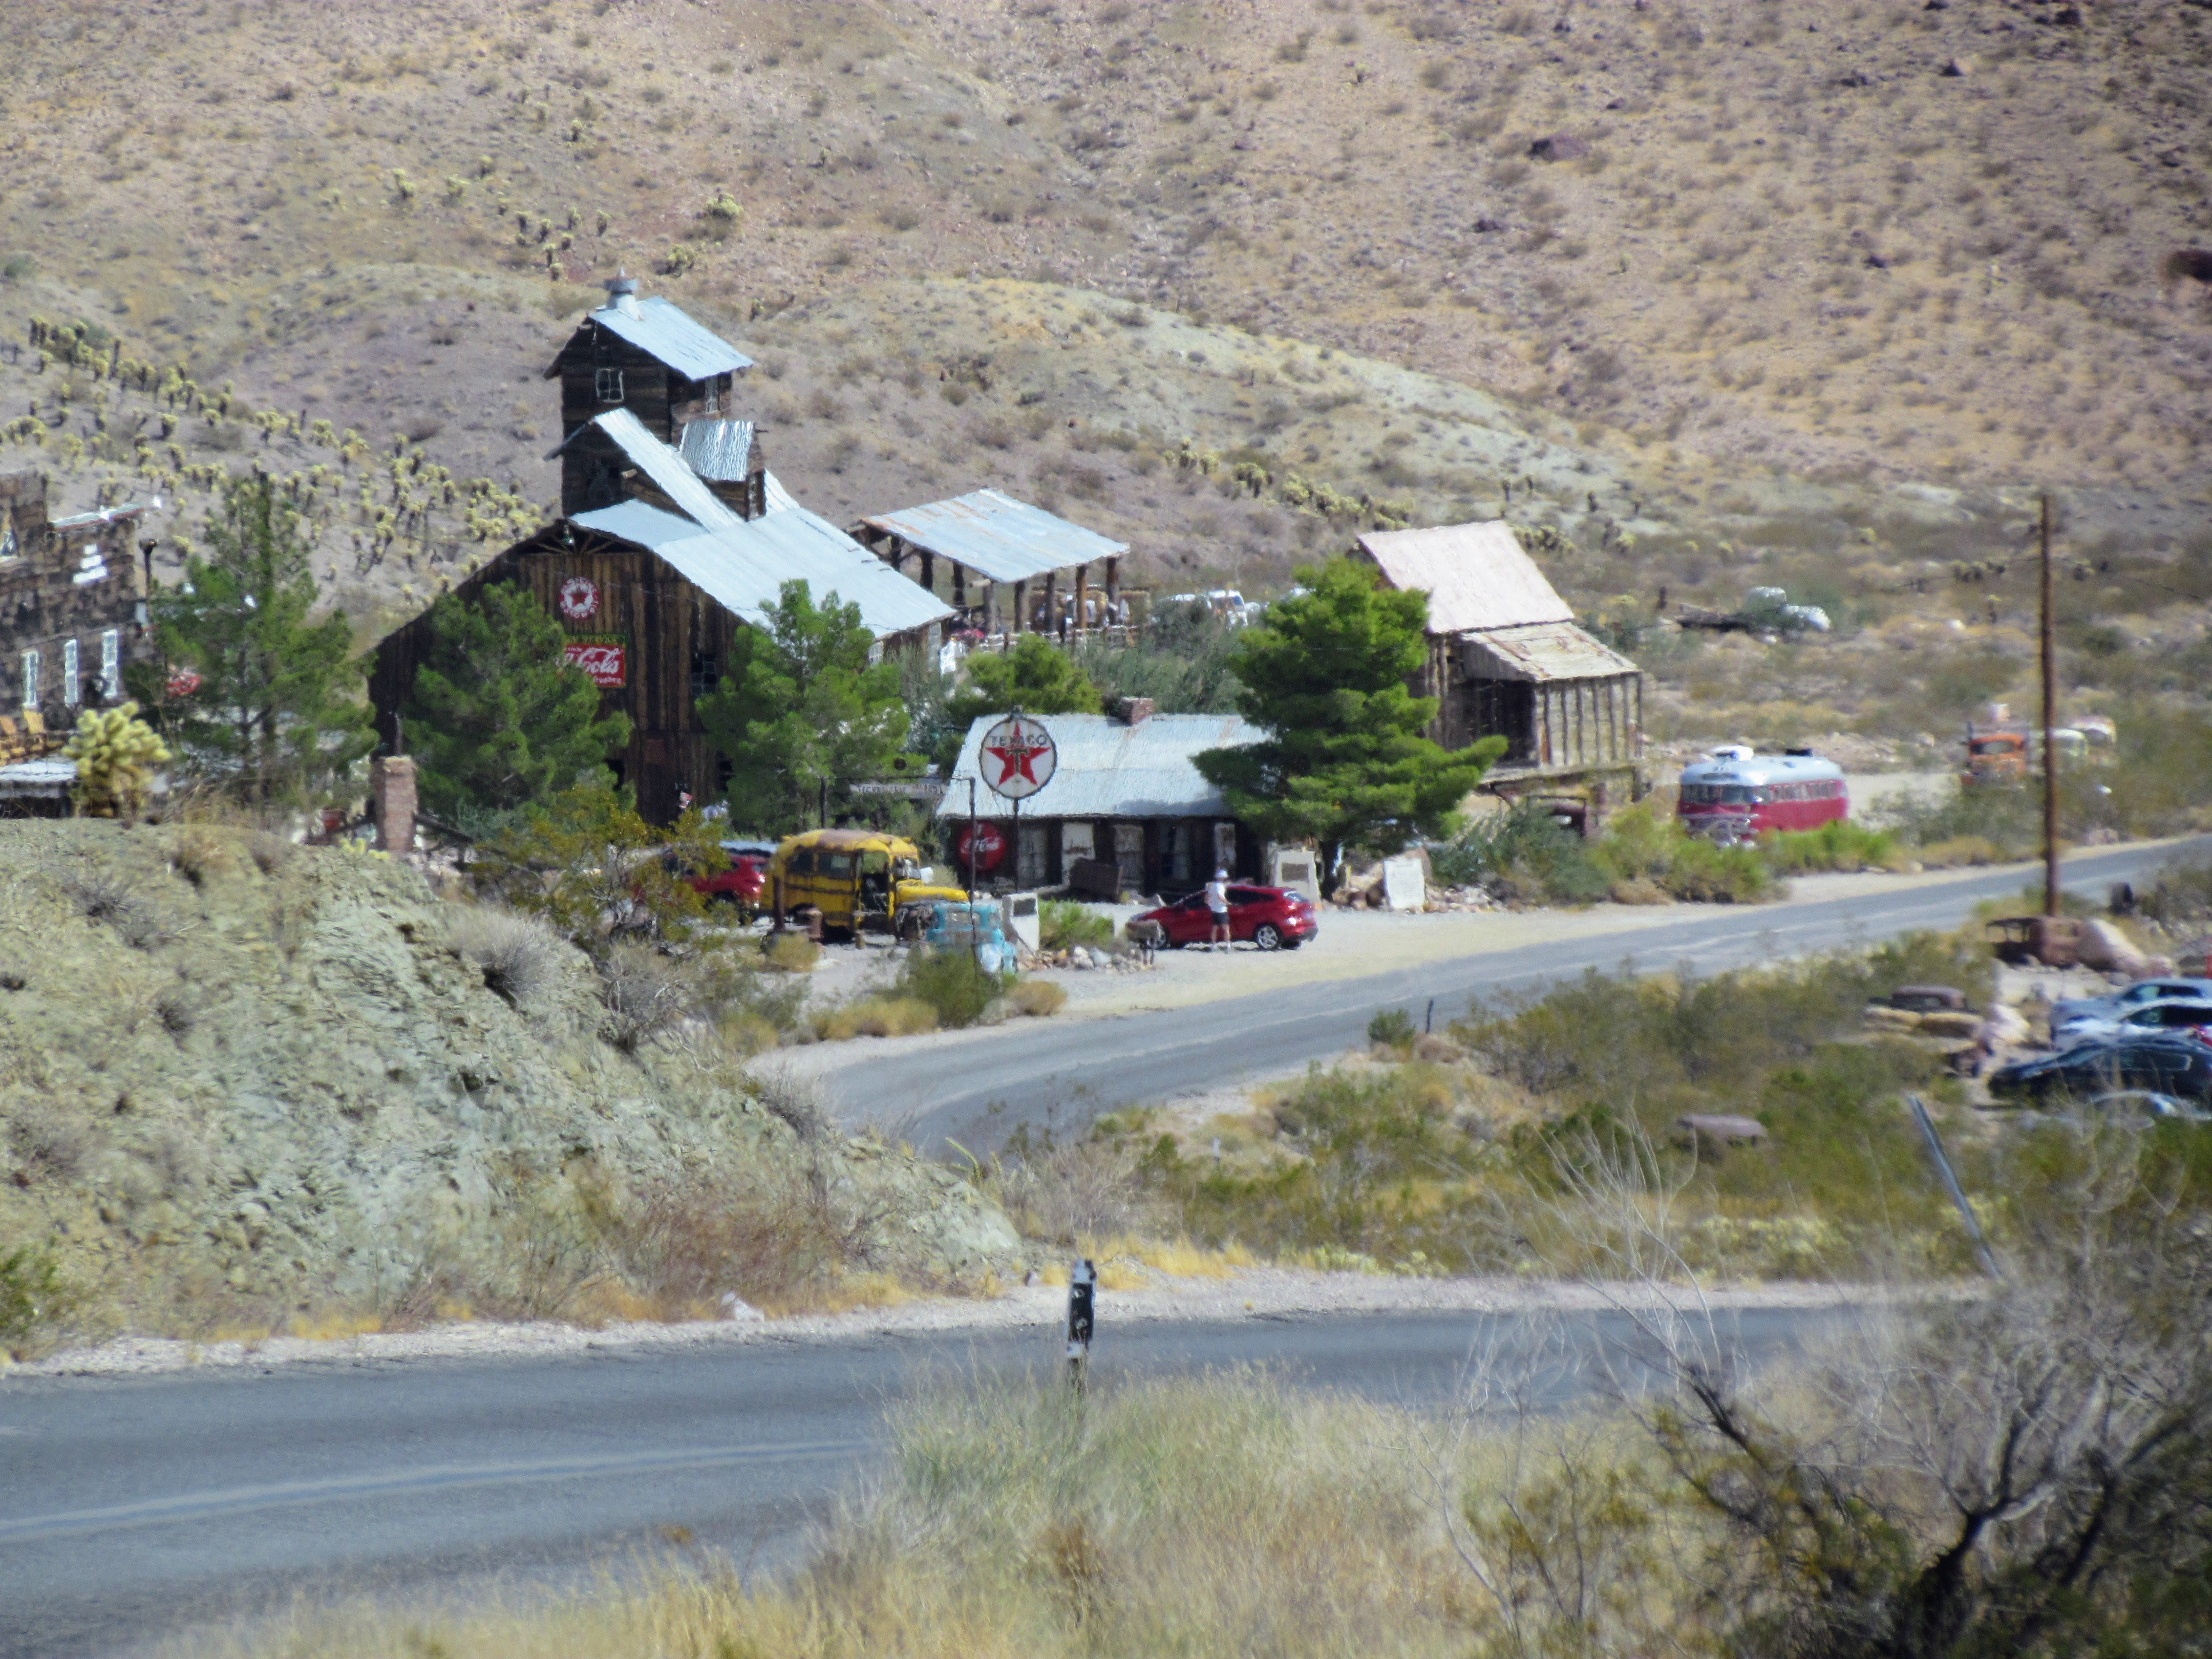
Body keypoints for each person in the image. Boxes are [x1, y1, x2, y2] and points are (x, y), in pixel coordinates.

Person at [1205, 867, 1231, 951]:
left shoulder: (1212, 886)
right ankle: (1228, 945)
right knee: (1226, 928)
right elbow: (1221, 897)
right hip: (1221, 910)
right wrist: (1227, 903)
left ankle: (1213, 945)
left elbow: (1207, 897)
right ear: (1222, 878)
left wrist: (1210, 905)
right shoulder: (1220, 886)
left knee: (1214, 928)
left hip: (1214, 910)